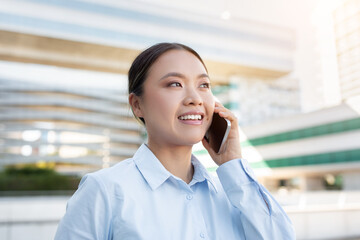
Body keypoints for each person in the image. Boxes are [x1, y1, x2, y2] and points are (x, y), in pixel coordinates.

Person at [55, 43, 296, 239]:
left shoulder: (235, 192)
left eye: (204, 85)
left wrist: (233, 163)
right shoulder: (105, 190)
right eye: (175, 84)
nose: (195, 98)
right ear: (137, 104)